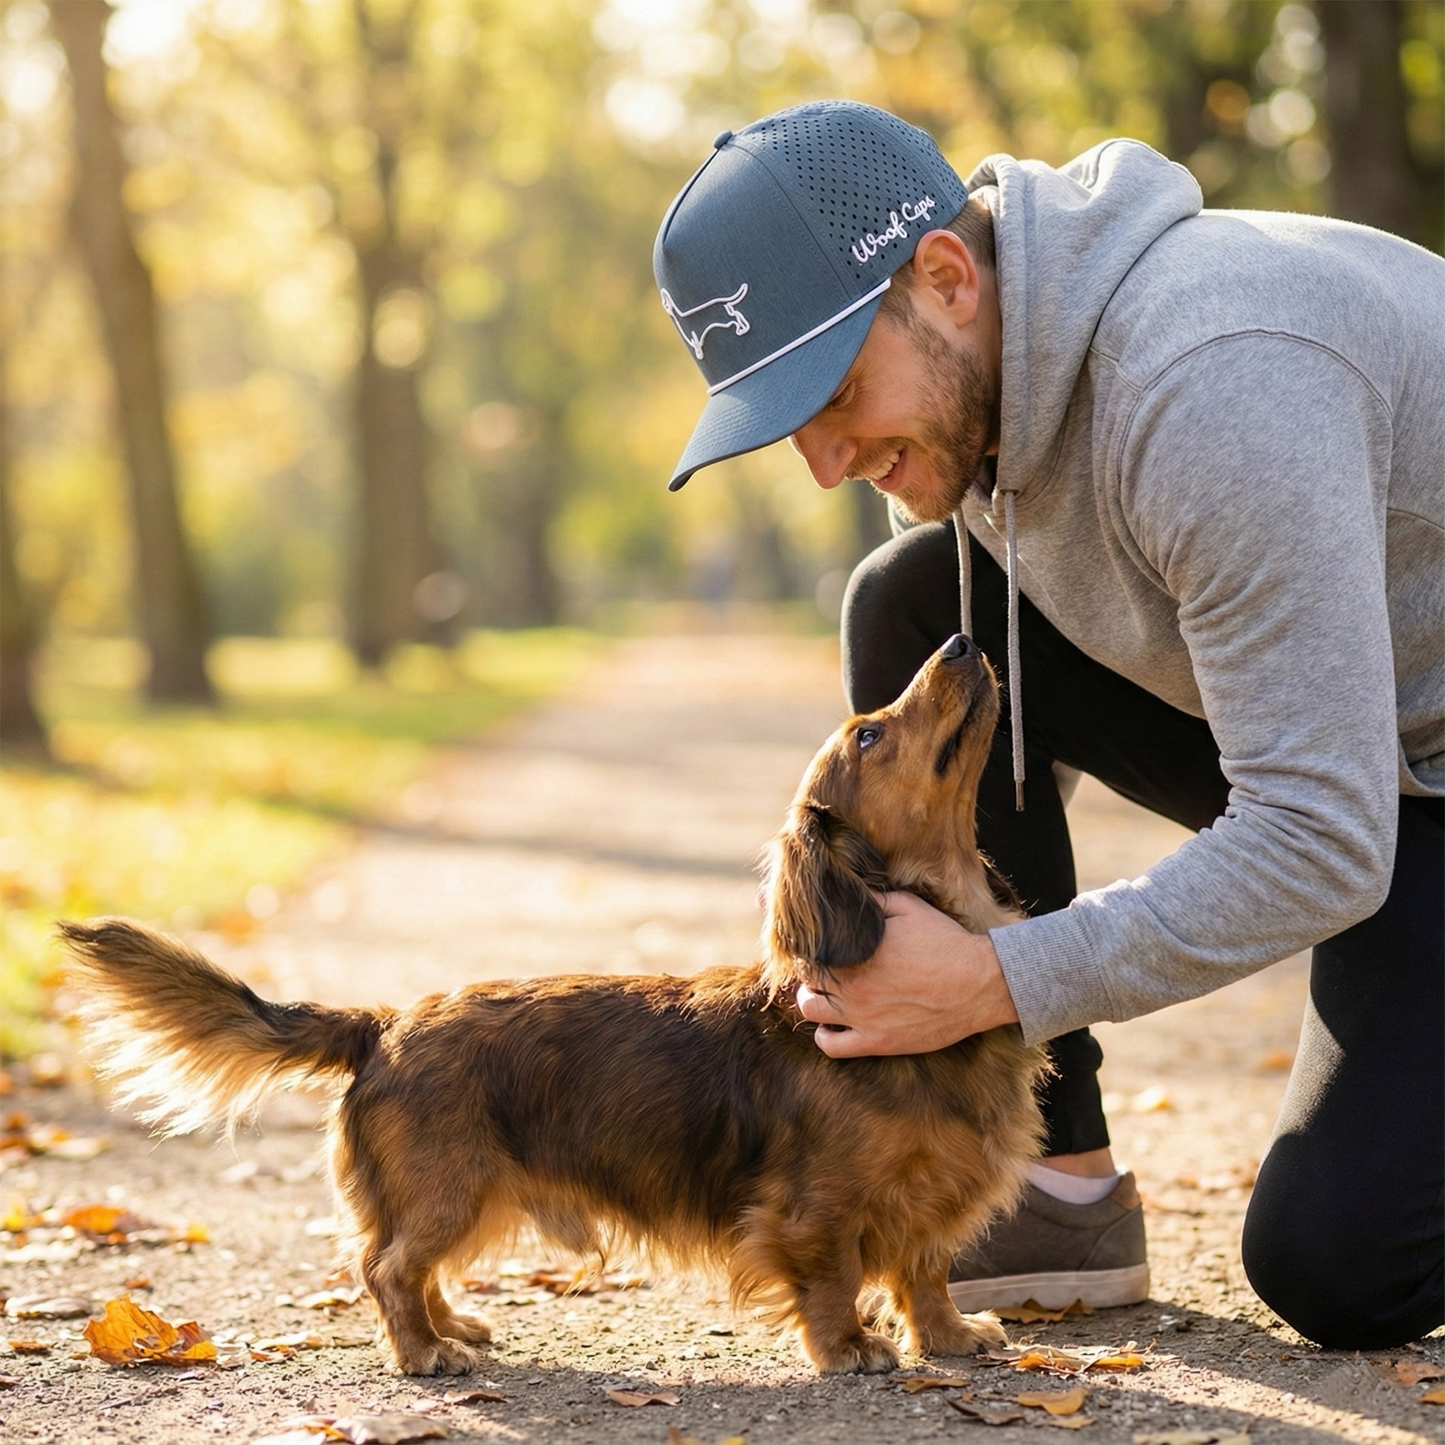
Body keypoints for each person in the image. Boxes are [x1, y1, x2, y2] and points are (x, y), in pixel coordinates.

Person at [651, 99, 1443, 1350]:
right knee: (914, 606)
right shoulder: (986, 394)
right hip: (1377, 738)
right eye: (783, 421)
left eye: (836, 389)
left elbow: (1323, 835)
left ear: (948, 277)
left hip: (1394, 787)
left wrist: (994, 979)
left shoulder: (1213, 384)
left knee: (1338, 1263)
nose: (821, 460)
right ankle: (1054, 1181)